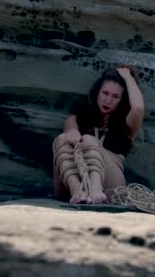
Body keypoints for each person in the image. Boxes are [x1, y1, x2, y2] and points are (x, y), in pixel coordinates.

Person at [52, 66, 144, 204]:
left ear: (122, 100)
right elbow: (69, 130)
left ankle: (96, 188)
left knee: (89, 139)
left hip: (110, 186)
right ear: (97, 93)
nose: (108, 100)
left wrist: (128, 77)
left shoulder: (127, 125)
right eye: (105, 93)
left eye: (115, 96)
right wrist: (74, 134)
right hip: (72, 182)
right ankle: (76, 189)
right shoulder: (77, 119)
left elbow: (138, 108)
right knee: (62, 139)